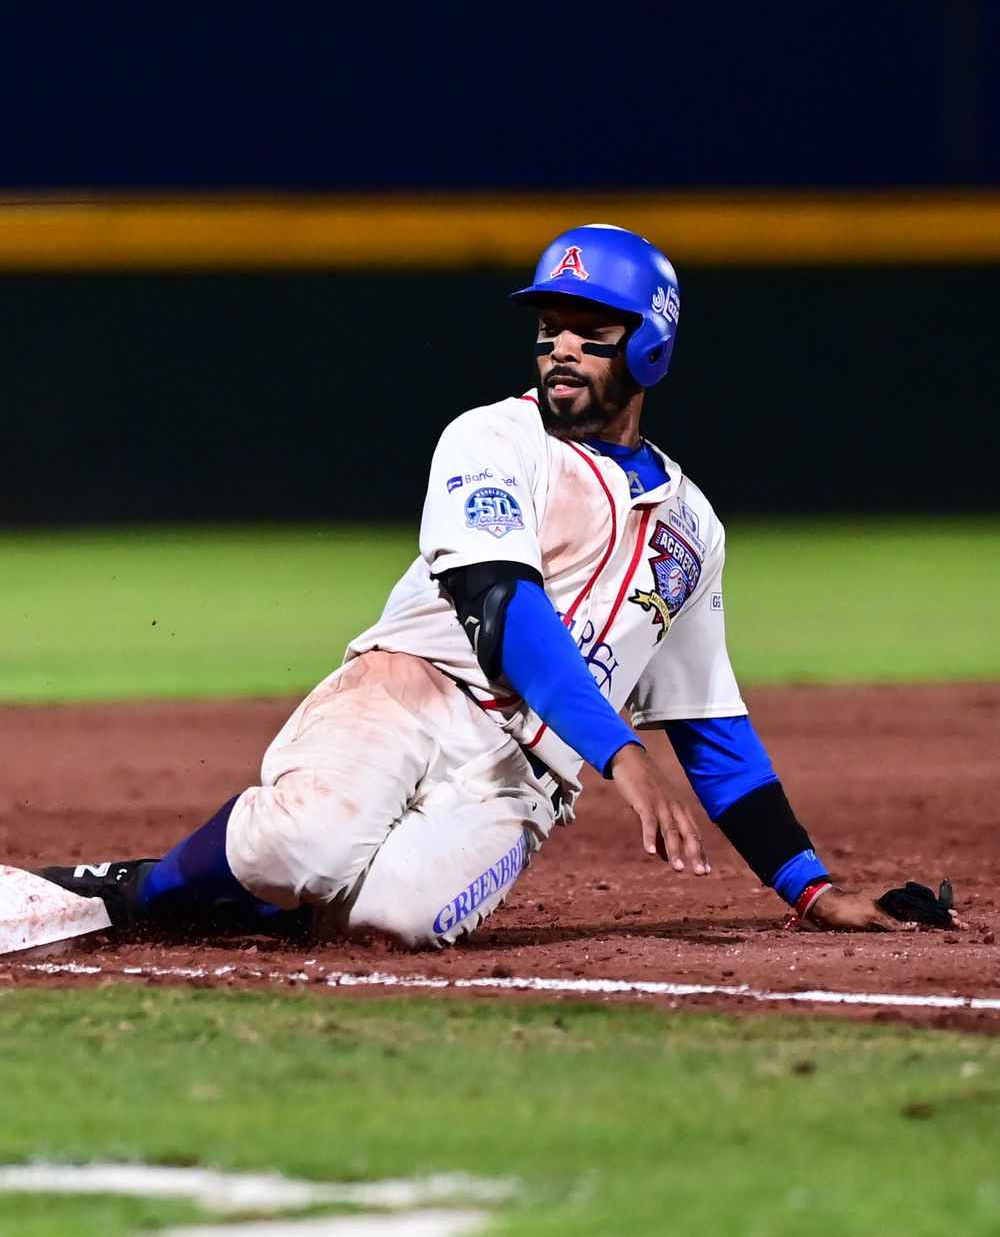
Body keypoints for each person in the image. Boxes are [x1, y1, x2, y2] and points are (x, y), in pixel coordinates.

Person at [45, 224, 935, 946]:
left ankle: (252, 901)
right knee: (303, 845)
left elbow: (709, 720)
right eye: (550, 326)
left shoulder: (694, 528)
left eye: (593, 330)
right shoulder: (492, 441)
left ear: (653, 344)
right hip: (407, 693)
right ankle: (135, 891)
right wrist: (624, 756)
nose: (562, 348)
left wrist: (810, 889)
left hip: (521, 780)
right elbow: (505, 610)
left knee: (391, 923)